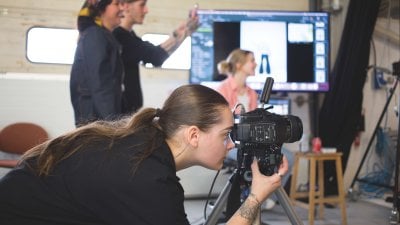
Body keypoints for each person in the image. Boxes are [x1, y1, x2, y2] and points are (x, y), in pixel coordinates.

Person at [0, 84, 288, 225]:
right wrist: (256, 197)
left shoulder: (144, 142)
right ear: (193, 135)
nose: (230, 145)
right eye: (226, 135)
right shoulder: (148, 179)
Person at [216, 48, 294, 214]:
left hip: (253, 142)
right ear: (239, 64)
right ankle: (249, 200)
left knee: (289, 157)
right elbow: (219, 123)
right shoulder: (223, 89)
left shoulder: (251, 93)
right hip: (230, 143)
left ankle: (265, 199)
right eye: (252, 60)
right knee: (255, 158)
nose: (256, 64)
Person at [113, 0, 199, 114]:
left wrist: (184, 33)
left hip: (127, 112)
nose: (146, 10)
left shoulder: (129, 36)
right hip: (119, 114)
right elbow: (155, 55)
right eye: (142, 5)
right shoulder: (119, 37)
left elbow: (156, 57)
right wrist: (181, 33)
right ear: (125, 6)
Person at [70, 0, 125, 126]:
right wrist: (114, 126)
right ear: (101, 9)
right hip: (96, 121)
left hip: (99, 119)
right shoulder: (95, 35)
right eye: (116, 4)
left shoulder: (102, 35)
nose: (122, 8)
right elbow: (100, 84)